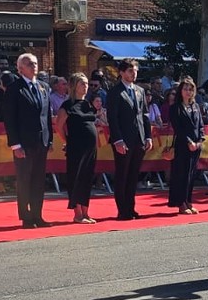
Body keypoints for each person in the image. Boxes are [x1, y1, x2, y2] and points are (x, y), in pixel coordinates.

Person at [3, 52, 53, 227]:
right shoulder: (14, 88)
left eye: (35, 63)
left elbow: (47, 115)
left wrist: (50, 140)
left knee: (39, 180)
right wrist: (15, 144)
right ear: (20, 68)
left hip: (41, 141)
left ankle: (38, 215)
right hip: (24, 143)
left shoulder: (43, 87)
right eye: (30, 64)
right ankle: (26, 216)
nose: (34, 67)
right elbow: (10, 119)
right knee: (24, 180)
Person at [107, 58, 152, 220]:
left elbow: (145, 115)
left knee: (133, 175)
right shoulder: (115, 92)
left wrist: (148, 136)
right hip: (123, 140)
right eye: (130, 71)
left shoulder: (139, 91)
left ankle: (131, 208)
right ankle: (122, 209)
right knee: (122, 175)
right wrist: (118, 140)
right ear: (121, 73)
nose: (133, 74)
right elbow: (112, 118)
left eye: (135, 71)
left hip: (138, 138)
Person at [55, 72, 99, 224]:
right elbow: (59, 126)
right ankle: (77, 213)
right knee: (76, 177)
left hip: (90, 148)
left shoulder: (88, 104)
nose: (86, 87)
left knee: (87, 178)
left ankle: (86, 212)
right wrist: (67, 140)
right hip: (76, 146)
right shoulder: (67, 105)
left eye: (86, 84)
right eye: (82, 84)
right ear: (74, 86)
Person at [167, 76, 204, 214]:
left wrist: (200, 141)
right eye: (185, 89)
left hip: (196, 145)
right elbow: (178, 128)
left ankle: (189, 201)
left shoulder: (195, 106)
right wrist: (189, 142)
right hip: (183, 145)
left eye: (191, 89)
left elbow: (201, 125)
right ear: (180, 91)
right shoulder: (175, 108)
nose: (188, 92)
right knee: (181, 174)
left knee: (191, 174)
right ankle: (180, 202)